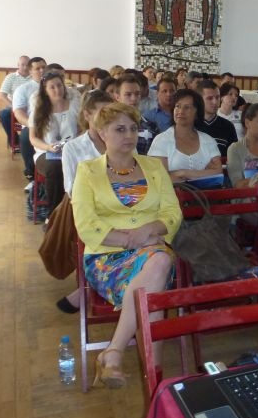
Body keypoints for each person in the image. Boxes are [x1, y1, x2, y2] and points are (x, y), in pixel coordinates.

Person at [72, 102, 181, 388]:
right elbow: (86, 225)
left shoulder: (153, 167)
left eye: (133, 128)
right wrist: (133, 240)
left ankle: (114, 352)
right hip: (106, 258)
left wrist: (150, 229)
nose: (129, 135)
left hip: (152, 250)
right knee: (155, 283)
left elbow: (172, 213)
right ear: (102, 133)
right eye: (120, 129)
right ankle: (155, 382)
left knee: (158, 264)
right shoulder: (87, 171)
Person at [56, 89, 114, 315]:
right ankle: (95, 286)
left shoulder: (118, 140)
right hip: (90, 210)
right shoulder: (73, 147)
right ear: (87, 115)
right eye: (102, 112)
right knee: (105, 230)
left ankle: (94, 289)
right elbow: (71, 190)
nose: (108, 117)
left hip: (121, 205)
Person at [29, 70, 81, 215]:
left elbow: (82, 129)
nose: (57, 90)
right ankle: (54, 214)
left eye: (59, 85)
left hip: (72, 150)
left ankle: (76, 211)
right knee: (55, 167)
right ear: (45, 91)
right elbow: (33, 138)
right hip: (47, 152)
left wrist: (73, 144)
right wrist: (48, 147)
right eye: (52, 87)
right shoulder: (39, 110)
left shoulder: (74, 105)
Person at [148, 89, 223, 182]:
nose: (181, 111)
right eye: (177, 106)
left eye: (187, 107)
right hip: (170, 191)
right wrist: (203, 173)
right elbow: (160, 178)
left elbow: (218, 173)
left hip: (207, 191)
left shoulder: (208, 141)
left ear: (197, 113)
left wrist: (183, 173)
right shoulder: (161, 140)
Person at [12, 57, 47, 181]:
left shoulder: (55, 86)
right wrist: (32, 125)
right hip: (33, 125)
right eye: (38, 68)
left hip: (56, 124)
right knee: (26, 135)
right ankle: (31, 173)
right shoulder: (23, 90)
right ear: (30, 71)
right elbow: (19, 113)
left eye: (44, 67)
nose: (42, 70)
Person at [117, 74, 156, 154]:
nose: (134, 98)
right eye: (128, 94)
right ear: (117, 97)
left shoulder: (151, 126)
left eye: (137, 94)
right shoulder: (109, 125)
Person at [197, 80, 238, 157]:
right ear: (199, 100)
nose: (215, 102)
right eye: (210, 98)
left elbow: (234, 156)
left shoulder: (228, 126)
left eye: (217, 97)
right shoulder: (192, 125)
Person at [0, 55, 30, 146]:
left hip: (32, 108)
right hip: (15, 107)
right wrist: (15, 107)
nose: (25, 67)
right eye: (22, 65)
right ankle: (15, 141)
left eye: (27, 65)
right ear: (18, 65)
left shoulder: (34, 77)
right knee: (4, 114)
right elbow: (2, 95)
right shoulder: (11, 77)